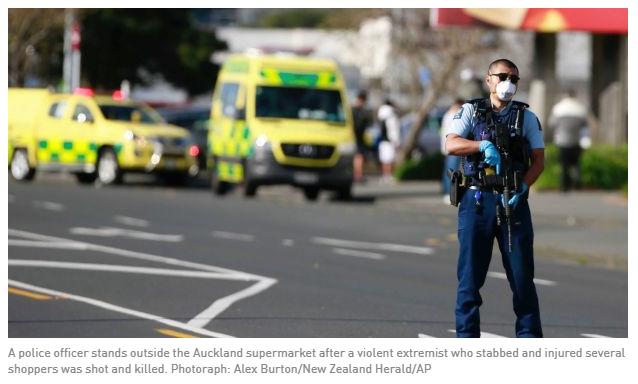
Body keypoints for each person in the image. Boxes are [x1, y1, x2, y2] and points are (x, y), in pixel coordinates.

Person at [445, 59, 545, 337]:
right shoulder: (471, 111)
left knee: (522, 279)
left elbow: (538, 161)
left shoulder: (526, 118)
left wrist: (524, 187)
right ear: (488, 80)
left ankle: (530, 341)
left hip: (512, 202)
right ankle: (467, 339)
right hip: (477, 202)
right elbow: (451, 143)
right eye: (502, 76)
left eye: (514, 78)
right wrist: (480, 145)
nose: (508, 83)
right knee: (469, 279)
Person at [549, 90, 588, 192]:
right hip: (576, 140)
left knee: (564, 165)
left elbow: (552, 124)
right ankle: (577, 183)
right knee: (576, 163)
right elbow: (585, 126)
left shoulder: (558, 108)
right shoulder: (580, 108)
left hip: (562, 140)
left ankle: (564, 185)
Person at [441, 98, 465, 202]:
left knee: (449, 170)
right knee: (451, 172)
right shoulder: (454, 116)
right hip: (453, 148)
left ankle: (447, 192)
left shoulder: (447, 115)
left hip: (448, 148)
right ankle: (448, 193)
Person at [351, 90, 374, 183]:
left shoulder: (351, 108)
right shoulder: (360, 111)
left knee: (358, 156)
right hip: (357, 136)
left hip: (356, 136)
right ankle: (358, 175)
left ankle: (357, 174)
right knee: (359, 156)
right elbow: (367, 124)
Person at [377, 99, 401, 183]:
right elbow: (393, 130)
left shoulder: (381, 115)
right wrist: (396, 141)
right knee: (389, 159)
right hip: (389, 141)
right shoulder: (391, 116)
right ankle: (389, 175)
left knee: (384, 160)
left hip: (382, 141)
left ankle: (385, 175)